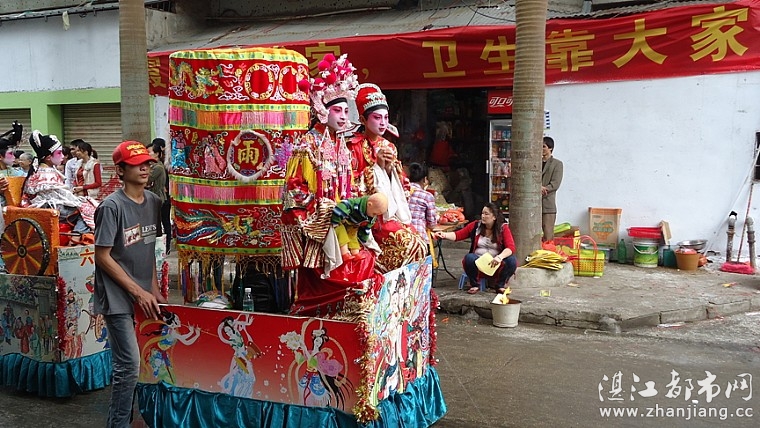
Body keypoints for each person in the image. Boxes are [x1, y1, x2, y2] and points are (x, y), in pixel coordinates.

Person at [94, 140, 165, 427]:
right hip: (117, 296)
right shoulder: (111, 207)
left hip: (144, 294)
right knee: (128, 366)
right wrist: (136, 291)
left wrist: (154, 289)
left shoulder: (154, 202)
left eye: (147, 163)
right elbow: (102, 256)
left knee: (150, 360)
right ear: (121, 170)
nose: (144, 168)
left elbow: (148, 249)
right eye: (137, 164)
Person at [281, 53, 357, 270]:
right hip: (317, 220)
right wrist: (320, 209)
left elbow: (348, 184)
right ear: (323, 111)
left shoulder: (341, 144)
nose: (343, 117)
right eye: (337, 110)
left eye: (346, 111)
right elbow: (294, 188)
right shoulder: (307, 144)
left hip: (341, 216)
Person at [346, 83, 426, 272]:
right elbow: (351, 187)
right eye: (377, 117)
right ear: (363, 119)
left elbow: (403, 186)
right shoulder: (353, 148)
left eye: (385, 117)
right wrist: (376, 167)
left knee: (420, 244)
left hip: (392, 213)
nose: (382, 122)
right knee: (405, 244)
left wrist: (390, 170)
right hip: (368, 217)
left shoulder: (389, 146)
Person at [434, 203, 517, 294]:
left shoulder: (503, 228)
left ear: (494, 217)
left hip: (496, 265)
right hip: (478, 264)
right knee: (469, 258)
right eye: (482, 213)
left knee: (512, 260)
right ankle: (475, 284)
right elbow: (458, 235)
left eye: (486, 214)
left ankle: (500, 285)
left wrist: (499, 257)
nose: (483, 216)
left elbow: (511, 248)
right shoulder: (476, 226)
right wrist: (444, 234)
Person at [23, 131, 96, 233]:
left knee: (87, 205)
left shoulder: (45, 169)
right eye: (59, 153)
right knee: (88, 210)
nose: (62, 156)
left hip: (53, 205)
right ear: (49, 157)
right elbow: (58, 196)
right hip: (49, 208)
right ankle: (77, 233)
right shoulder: (46, 173)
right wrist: (78, 201)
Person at [331, 193, 388, 261]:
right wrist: (336, 220)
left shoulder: (371, 216)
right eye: (374, 214)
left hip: (352, 225)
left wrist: (363, 238)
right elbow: (344, 205)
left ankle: (355, 253)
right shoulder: (355, 204)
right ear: (369, 204)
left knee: (353, 234)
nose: (374, 216)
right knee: (341, 232)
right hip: (341, 221)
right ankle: (344, 253)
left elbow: (367, 227)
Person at [147, 138, 172, 253]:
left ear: (157, 153)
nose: (147, 154)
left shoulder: (158, 167)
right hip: (157, 197)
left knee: (161, 223)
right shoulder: (153, 166)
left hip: (160, 198)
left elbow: (148, 179)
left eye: (149, 152)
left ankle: (164, 246)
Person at [407, 162, 438, 245]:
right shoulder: (427, 196)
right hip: (418, 237)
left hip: (401, 236)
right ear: (424, 179)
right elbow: (432, 224)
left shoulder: (400, 191)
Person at [541, 136, 564, 242]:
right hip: (533, 205)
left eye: (544, 146)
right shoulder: (535, 163)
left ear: (550, 148)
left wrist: (543, 189)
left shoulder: (557, 164)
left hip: (547, 204)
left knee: (548, 234)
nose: (541, 149)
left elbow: (555, 184)